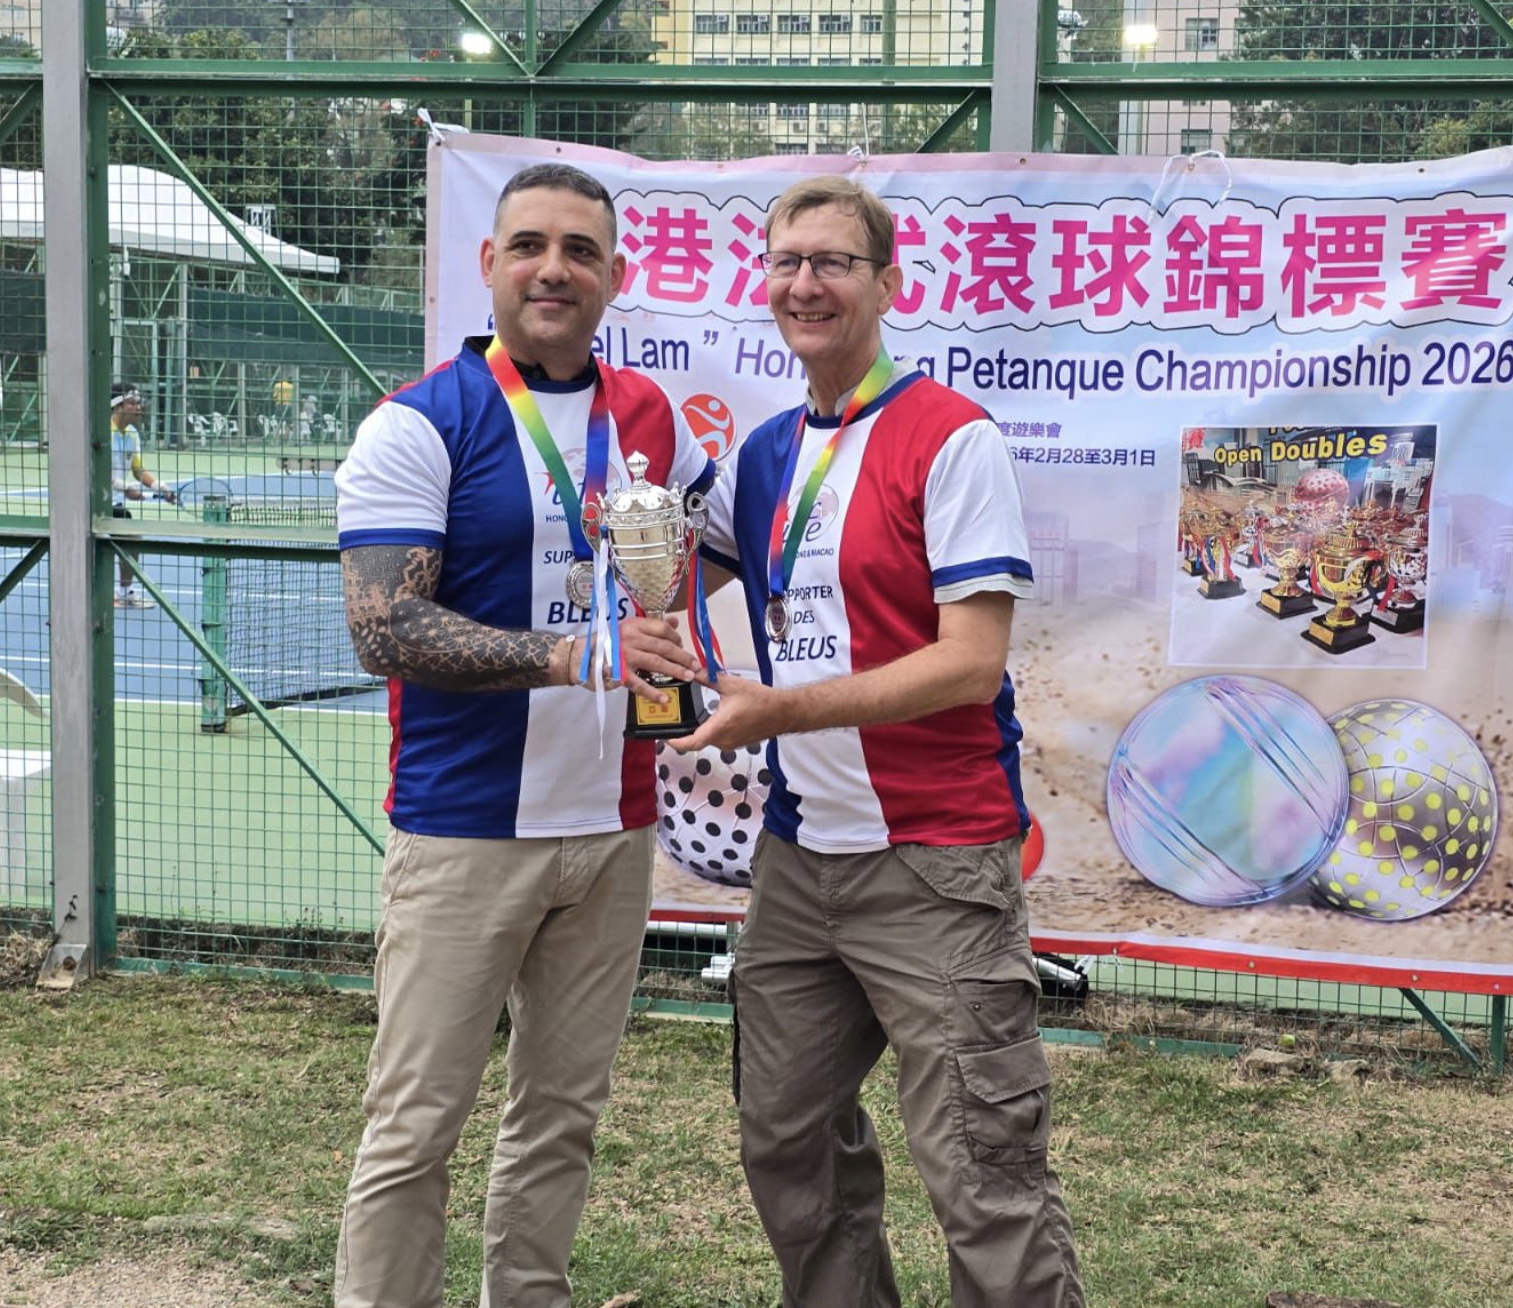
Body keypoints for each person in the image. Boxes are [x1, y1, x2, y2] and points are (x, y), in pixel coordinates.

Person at [678, 175, 1084, 1307]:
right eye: (787, 262)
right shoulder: (763, 454)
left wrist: (777, 711)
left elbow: (970, 663)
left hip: (934, 861)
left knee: (983, 1171)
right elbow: (672, 579)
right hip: (799, 861)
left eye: (833, 262)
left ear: (888, 284)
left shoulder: (950, 437)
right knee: (784, 1139)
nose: (806, 284)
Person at [331, 162, 711, 1308]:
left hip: (615, 828)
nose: (556, 269)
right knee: (415, 1126)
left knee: (563, 1116)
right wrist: (575, 657)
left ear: (614, 277)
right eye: (532, 246)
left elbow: (705, 561)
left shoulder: (650, 419)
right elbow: (384, 628)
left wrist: (684, 655)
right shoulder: (419, 421)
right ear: (490, 264)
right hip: (464, 831)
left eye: (581, 250)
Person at [108, 383, 176, 610]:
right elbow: (95, 472)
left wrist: (160, 487)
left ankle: (124, 593)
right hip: (89, 502)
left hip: (114, 502)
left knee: (132, 541)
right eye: (132, 403)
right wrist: (125, 487)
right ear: (118, 406)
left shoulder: (132, 434)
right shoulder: (102, 432)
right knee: (89, 549)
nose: (138, 407)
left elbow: (137, 470)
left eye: (139, 403)